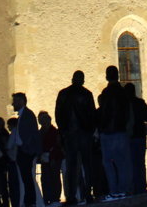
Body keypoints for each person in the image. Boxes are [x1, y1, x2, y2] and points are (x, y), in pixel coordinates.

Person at [53, 71, 95, 206]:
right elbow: (91, 115)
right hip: (83, 134)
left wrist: (63, 131)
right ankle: (88, 193)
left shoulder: (63, 94)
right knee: (86, 165)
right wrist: (89, 131)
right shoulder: (86, 94)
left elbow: (58, 114)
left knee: (71, 166)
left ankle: (71, 195)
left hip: (70, 134)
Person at [95, 67, 130, 197]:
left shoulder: (106, 93)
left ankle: (113, 190)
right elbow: (126, 112)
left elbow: (103, 113)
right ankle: (122, 189)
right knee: (121, 162)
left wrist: (102, 128)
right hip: (120, 131)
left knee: (108, 163)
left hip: (108, 132)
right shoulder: (122, 92)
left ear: (107, 77)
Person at [11, 94, 40, 207]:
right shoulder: (24, 115)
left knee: (27, 177)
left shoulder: (27, 115)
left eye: (15, 101)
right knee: (26, 177)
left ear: (21, 101)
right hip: (23, 150)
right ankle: (29, 200)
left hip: (25, 151)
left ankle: (30, 201)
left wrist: (26, 147)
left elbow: (31, 133)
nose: (13, 104)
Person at [123, 84, 147, 194]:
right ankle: (142, 186)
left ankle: (132, 186)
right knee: (140, 162)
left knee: (129, 163)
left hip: (128, 137)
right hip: (140, 136)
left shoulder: (123, 104)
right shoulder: (140, 103)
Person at [36, 112, 61, 206]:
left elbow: (56, 145)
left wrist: (52, 157)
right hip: (45, 159)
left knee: (54, 177)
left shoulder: (53, 131)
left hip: (53, 158)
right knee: (46, 178)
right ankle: (47, 198)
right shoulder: (41, 132)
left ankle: (55, 198)